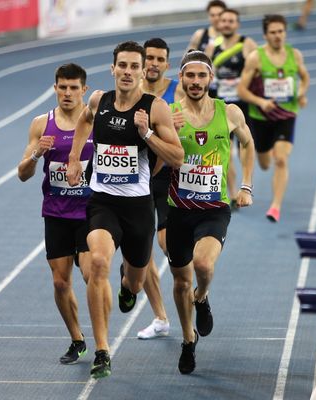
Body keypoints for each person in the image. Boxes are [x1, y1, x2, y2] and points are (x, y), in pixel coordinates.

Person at [66, 41, 184, 379]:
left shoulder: (155, 107)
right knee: (98, 261)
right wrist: (76, 158)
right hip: (103, 202)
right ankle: (103, 350)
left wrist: (146, 132)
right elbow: (84, 123)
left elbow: (176, 157)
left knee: (134, 282)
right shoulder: (98, 100)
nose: (129, 72)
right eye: (124, 66)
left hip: (138, 208)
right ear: (113, 69)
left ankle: (127, 285)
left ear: (142, 70)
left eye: (135, 66)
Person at [167, 50, 255, 375]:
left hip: (214, 209)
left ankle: (202, 297)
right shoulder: (170, 114)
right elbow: (156, 158)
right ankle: (188, 340)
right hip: (178, 210)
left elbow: (247, 143)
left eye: (201, 76)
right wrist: (164, 133)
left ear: (210, 79)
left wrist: (246, 186)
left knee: (203, 264)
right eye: (189, 76)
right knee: (179, 283)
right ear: (181, 79)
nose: (195, 82)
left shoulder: (228, 112)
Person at [17, 63, 92, 366]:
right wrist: (36, 154)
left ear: (83, 90)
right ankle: (77, 339)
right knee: (61, 283)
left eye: (74, 87)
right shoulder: (41, 124)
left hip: (90, 211)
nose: (68, 93)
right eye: (63, 87)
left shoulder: (97, 121)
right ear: (55, 88)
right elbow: (22, 174)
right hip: (57, 213)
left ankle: (101, 340)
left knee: (92, 274)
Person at [131, 37, 183, 340]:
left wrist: (179, 124)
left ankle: (189, 292)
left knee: (167, 245)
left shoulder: (178, 91)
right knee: (143, 250)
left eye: (159, 59)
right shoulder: (127, 94)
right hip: (131, 180)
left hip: (166, 179)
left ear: (166, 63)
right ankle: (161, 317)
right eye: (148, 58)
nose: (153, 63)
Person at [237, 14, 310, 222]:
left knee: (280, 159)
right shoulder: (256, 58)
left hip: (286, 114)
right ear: (265, 34)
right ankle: (264, 155)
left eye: (281, 31)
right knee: (265, 162)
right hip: (261, 117)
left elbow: (305, 77)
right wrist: (260, 102)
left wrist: (302, 93)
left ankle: (275, 206)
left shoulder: (294, 55)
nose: (278, 36)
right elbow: (241, 90)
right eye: (273, 32)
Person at [205, 8, 257, 208]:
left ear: (237, 24)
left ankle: (245, 184)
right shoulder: (212, 46)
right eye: (223, 20)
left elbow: (257, 71)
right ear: (219, 24)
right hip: (221, 105)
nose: (226, 24)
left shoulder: (247, 44)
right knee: (224, 152)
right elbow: (206, 74)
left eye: (231, 21)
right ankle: (232, 193)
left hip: (242, 106)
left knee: (244, 146)